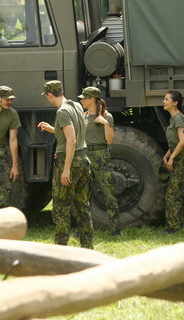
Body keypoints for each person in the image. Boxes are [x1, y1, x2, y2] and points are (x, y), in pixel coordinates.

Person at [37, 80, 94, 248]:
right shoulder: (75, 105)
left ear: (49, 94)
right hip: (83, 160)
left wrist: (66, 168)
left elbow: (71, 139)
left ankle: (60, 249)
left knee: (61, 210)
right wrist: (53, 130)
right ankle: (88, 248)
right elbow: (77, 129)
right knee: (83, 207)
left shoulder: (62, 111)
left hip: (70, 163)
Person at [78, 87, 121, 236]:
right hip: (85, 155)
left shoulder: (107, 116)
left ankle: (115, 228)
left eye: (84, 98)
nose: (81, 101)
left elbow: (109, 140)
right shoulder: (82, 116)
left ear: (91, 99)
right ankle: (83, 229)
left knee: (109, 192)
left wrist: (105, 124)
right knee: (83, 194)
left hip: (101, 154)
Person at [162, 90, 184, 233]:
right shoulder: (174, 119)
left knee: (172, 194)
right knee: (179, 192)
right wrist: (167, 155)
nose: (164, 101)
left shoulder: (178, 118)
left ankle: (173, 227)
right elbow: (175, 142)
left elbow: (183, 141)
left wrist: (172, 158)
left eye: (167, 99)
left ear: (175, 103)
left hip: (183, 158)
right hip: (179, 156)